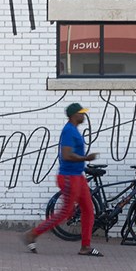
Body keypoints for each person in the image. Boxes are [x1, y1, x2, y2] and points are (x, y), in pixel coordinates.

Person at [22, 102, 103, 257]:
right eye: (81, 113)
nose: (84, 115)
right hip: (68, 177)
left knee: (88, 210)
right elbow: (66, 155)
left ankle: (85, 247)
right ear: (74, 115)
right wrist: (87, 157)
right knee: (65, 212)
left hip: (78, 177)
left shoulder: (74, 130)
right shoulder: (68, 131)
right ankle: (32, 234)